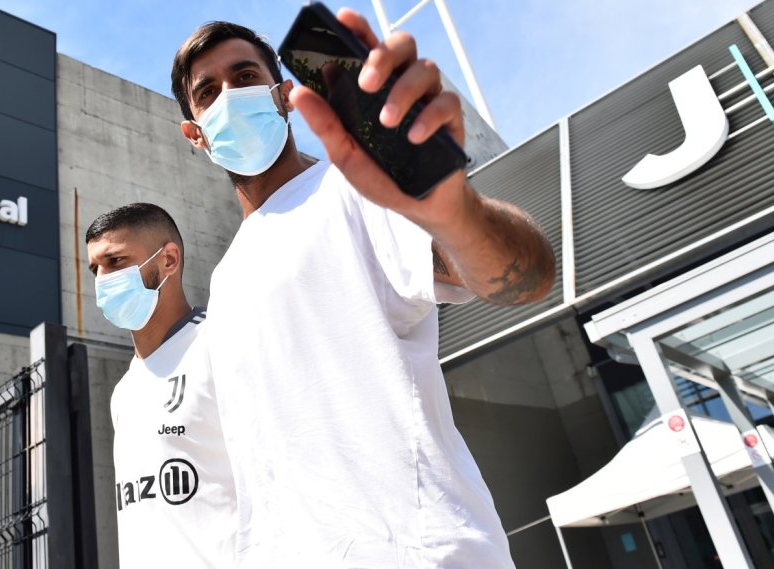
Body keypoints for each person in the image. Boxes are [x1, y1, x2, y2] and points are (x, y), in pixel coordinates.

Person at [169, 8, 556, 568]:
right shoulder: (225, 281)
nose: (230, 94)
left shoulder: (352, 189)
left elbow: (527, 279)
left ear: (282, 96)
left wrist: (455, 211)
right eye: (209, 91)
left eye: (246, 76)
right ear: (195, 132)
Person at [85, 203, 235, 567]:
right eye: (95, 268)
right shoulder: (124, 391)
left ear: (168, 260)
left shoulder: (223, 342)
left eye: (116, 261)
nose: (102, 279)